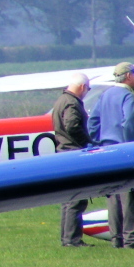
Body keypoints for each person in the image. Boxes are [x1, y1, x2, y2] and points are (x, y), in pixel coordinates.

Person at [88, 61, 134, 249]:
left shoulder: (104, 95)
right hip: (124, 149)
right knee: (130, 193)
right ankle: (132, 238)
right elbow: (129, 120)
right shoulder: (128, 96)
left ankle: (117, 238)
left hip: (107, 150)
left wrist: (98, 141)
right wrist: (131, 145)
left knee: (113, 194)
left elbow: (93, 122)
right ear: (129, 76)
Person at [52, 72, 91, 247]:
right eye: (87, 89)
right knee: (77, 198)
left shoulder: (61, 100)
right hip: (73, 153)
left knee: (69, 200)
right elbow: (72, 126)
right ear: (82, 86)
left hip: (64, 152)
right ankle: (73, 240)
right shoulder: (71, 102)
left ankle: (68, 239)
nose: (86, 92)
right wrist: (88, 142)